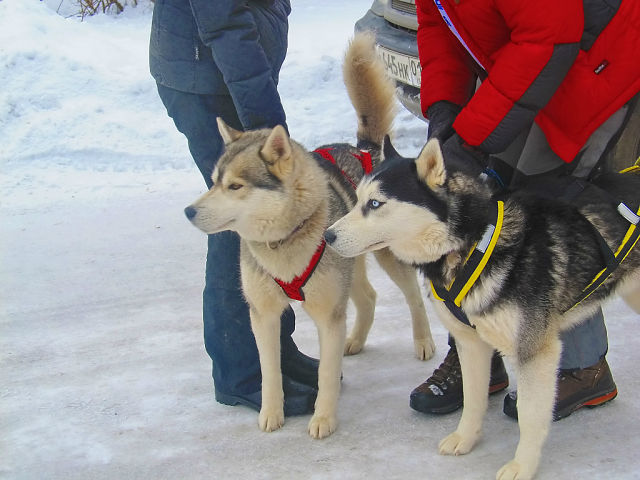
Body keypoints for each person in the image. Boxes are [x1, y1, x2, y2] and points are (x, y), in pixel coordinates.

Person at [410, 0, 640, 420]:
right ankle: (478, 344)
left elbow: (551, 37)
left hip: (601, 60)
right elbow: (438, 24)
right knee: (482, 197)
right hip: (527, 59)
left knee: (554, 212)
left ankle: (584, 367)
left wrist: (475, 138)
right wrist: (445, 108)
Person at [149, 0, 319, 416]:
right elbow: (223, 20)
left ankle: (275, 350)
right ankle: (241, 372)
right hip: (209, 75)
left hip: (227, 67)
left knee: (264, 221)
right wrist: (265, 125)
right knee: (237, 218)